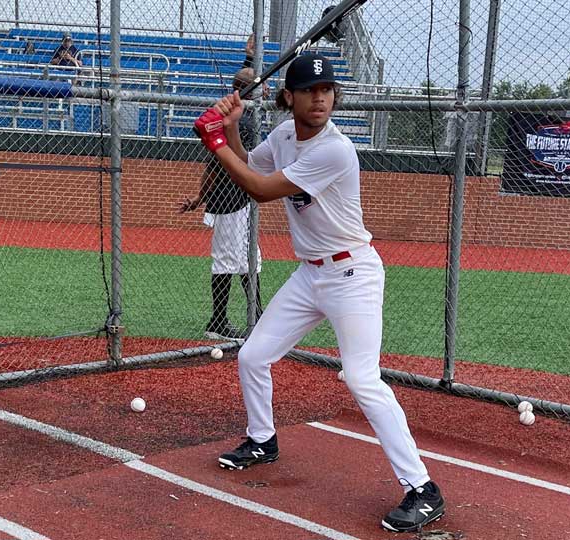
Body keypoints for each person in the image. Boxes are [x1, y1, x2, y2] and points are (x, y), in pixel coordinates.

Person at [192, 54, 446, 533]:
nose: (321, 97)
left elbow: (262, 190)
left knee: (361, 379)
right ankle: (262, 440)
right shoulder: (284, 136)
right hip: (311, 275)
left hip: (353, 275)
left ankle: (423, 489)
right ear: (289, 97)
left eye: (327, 89)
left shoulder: (336, 149)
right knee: (253, 355)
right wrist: (231, 130)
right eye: (310, 89)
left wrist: (215, 139)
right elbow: (249, 167)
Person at [179, 68, 264, 340]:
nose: (265, 90)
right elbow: (217, 165)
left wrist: (199, 197)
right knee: (229, 260)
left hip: (239, 199)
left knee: (249, 259)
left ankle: (257, 318)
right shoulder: (242, 122)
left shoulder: (239, 117)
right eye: (258, 86)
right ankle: (218, 322)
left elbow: (213, 166)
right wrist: (200, 197)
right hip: (231, 201)